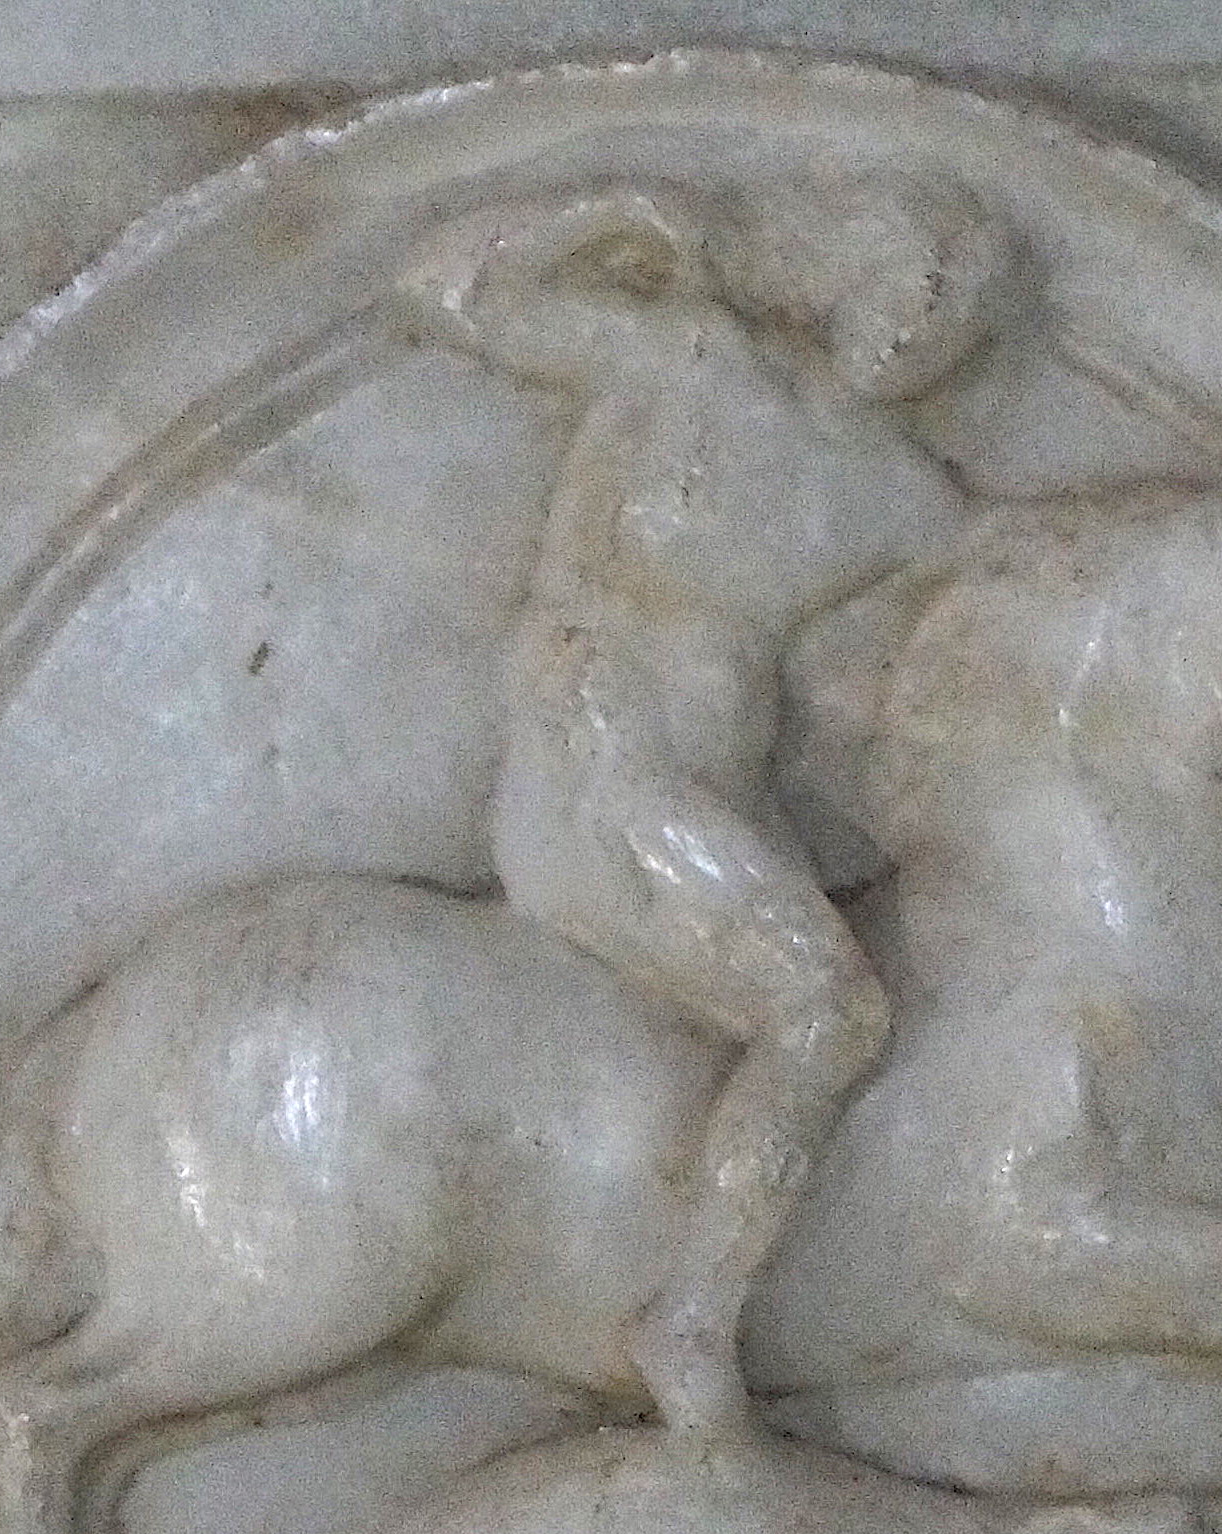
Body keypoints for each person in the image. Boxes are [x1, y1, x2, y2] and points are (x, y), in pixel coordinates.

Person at [393, 172, 1014, 1436]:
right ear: (838, 269)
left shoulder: (909, 494)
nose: (919, 322)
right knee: (830, 1012)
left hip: (728, 796)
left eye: (948, 308)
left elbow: (985, 620)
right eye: (907, 278)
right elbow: (448, 287)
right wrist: (609, 211)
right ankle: (689, 1316)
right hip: (604, 773)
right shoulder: (685, 359)